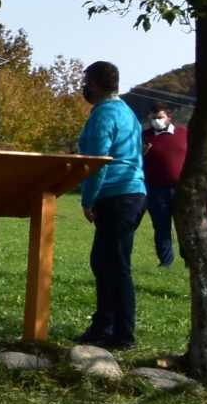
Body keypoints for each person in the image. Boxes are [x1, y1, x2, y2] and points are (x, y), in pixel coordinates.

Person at [72, 61, 148, 350]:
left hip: (115, 196)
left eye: (86, 82)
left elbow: (98, 164)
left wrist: (88, 200)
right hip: (133, 194)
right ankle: (103, 326)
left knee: (116, 267)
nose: (84, 87)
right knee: (102, 262)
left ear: (94, 83)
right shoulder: (126, 112)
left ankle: (123, 334)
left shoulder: (104, 114)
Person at [141, 104, 187, 267]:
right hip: (155, 189)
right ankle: (166, 261)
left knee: (184, 226)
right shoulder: (145, 136)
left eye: (160, 117)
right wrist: (142, 153)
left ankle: (189, 259)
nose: (156, 121)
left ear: (169, 117)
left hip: (181, 189)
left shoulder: (183, 134)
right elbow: (136, 158)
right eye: (153, 118)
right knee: (161, 228)